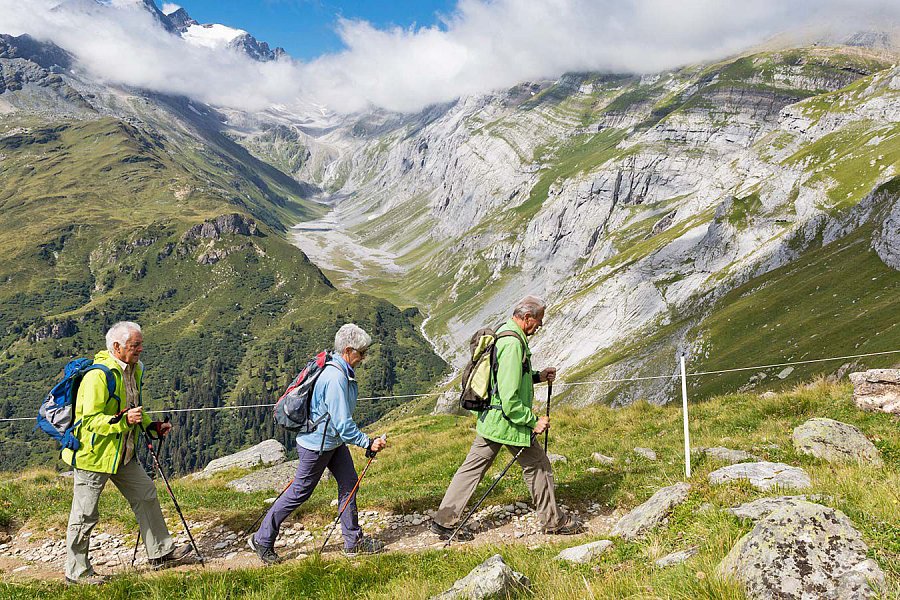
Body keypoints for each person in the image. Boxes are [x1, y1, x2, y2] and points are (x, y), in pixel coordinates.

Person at [431, 296, 583, 540]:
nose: (540, 325)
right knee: (539, 466)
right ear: (527, 318)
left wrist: (537, 376)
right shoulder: (513, 344)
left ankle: (444, 521)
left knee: (471, 469)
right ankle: (553, 522)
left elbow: (506, 378)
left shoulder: (505, 332)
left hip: (491, 420)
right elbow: (510, 400)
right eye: (539, 320)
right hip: (508, 422)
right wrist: (533, 421)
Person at [61, 321, 192, 585]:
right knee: (85, 513)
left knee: (146, 495)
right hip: (94, 455)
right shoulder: (98, 376)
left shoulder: (135, 369)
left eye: (141, 344)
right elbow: (87, 421)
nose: (140, 349)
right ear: (117, 347)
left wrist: (151, 426)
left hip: (123, 452)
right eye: (135, 345)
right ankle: (76, 572)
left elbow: (133, 408)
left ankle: (161, 554)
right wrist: (124, 422)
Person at [248, 323, 388, 564]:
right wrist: (368, 443)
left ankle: (353, 542)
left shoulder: (338, 369)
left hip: (331, 442)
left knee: (349, 483)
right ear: (347, 350)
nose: (364, 358)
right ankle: (262, 539)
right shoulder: (335, 378)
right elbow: (343, 424)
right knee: (299, 493)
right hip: (317, 445)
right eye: (361, 352)